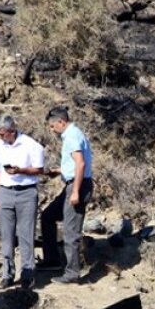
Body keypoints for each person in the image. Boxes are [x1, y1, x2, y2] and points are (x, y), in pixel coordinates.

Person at [0, 115, 45, 290]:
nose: (0, 136)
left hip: (26, 192)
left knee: (26, 235)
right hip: (5, 192)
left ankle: (27, 274)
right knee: (6, 235)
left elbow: (39, 169)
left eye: (2, 133)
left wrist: (21, 170)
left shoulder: (31, 145)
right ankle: (7, 274)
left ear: (12, 131)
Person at [40, 105, 94, 285]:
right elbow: (75, 165)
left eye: (52, 126)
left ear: (61, 122)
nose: (51, 129)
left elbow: (80, 165)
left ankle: (72, 273)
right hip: (73, 184)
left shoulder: (71, 136)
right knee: (47, 216)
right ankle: (52, 260)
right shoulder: (74, 134)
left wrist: (76, 191)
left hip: (77, 186)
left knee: (71, 232)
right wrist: (60, 170)